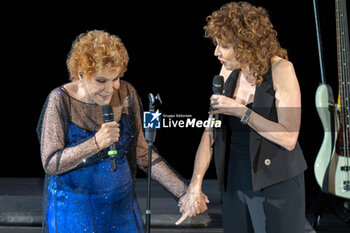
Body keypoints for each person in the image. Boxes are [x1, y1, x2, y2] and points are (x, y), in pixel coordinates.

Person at [36, 30, 206, 233]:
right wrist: (96, 143)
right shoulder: (60, 100)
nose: (111, 88)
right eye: (101, 81)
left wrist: (184, 193)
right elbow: (50, 162)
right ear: (81, 74)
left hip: (121, 209)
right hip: (74, 212)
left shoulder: (126, 93)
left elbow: (143, 153)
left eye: (115, 78)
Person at [176, 2, 308, 233]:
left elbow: (288, 138)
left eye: (224, 46)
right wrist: (195, 185)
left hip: (277, 181)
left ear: (247, 45)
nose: (216, 52)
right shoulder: (226, 70)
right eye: (217, 44)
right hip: (235, 179)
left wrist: (242, 112)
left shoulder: (282, 70)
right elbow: (210, 133)